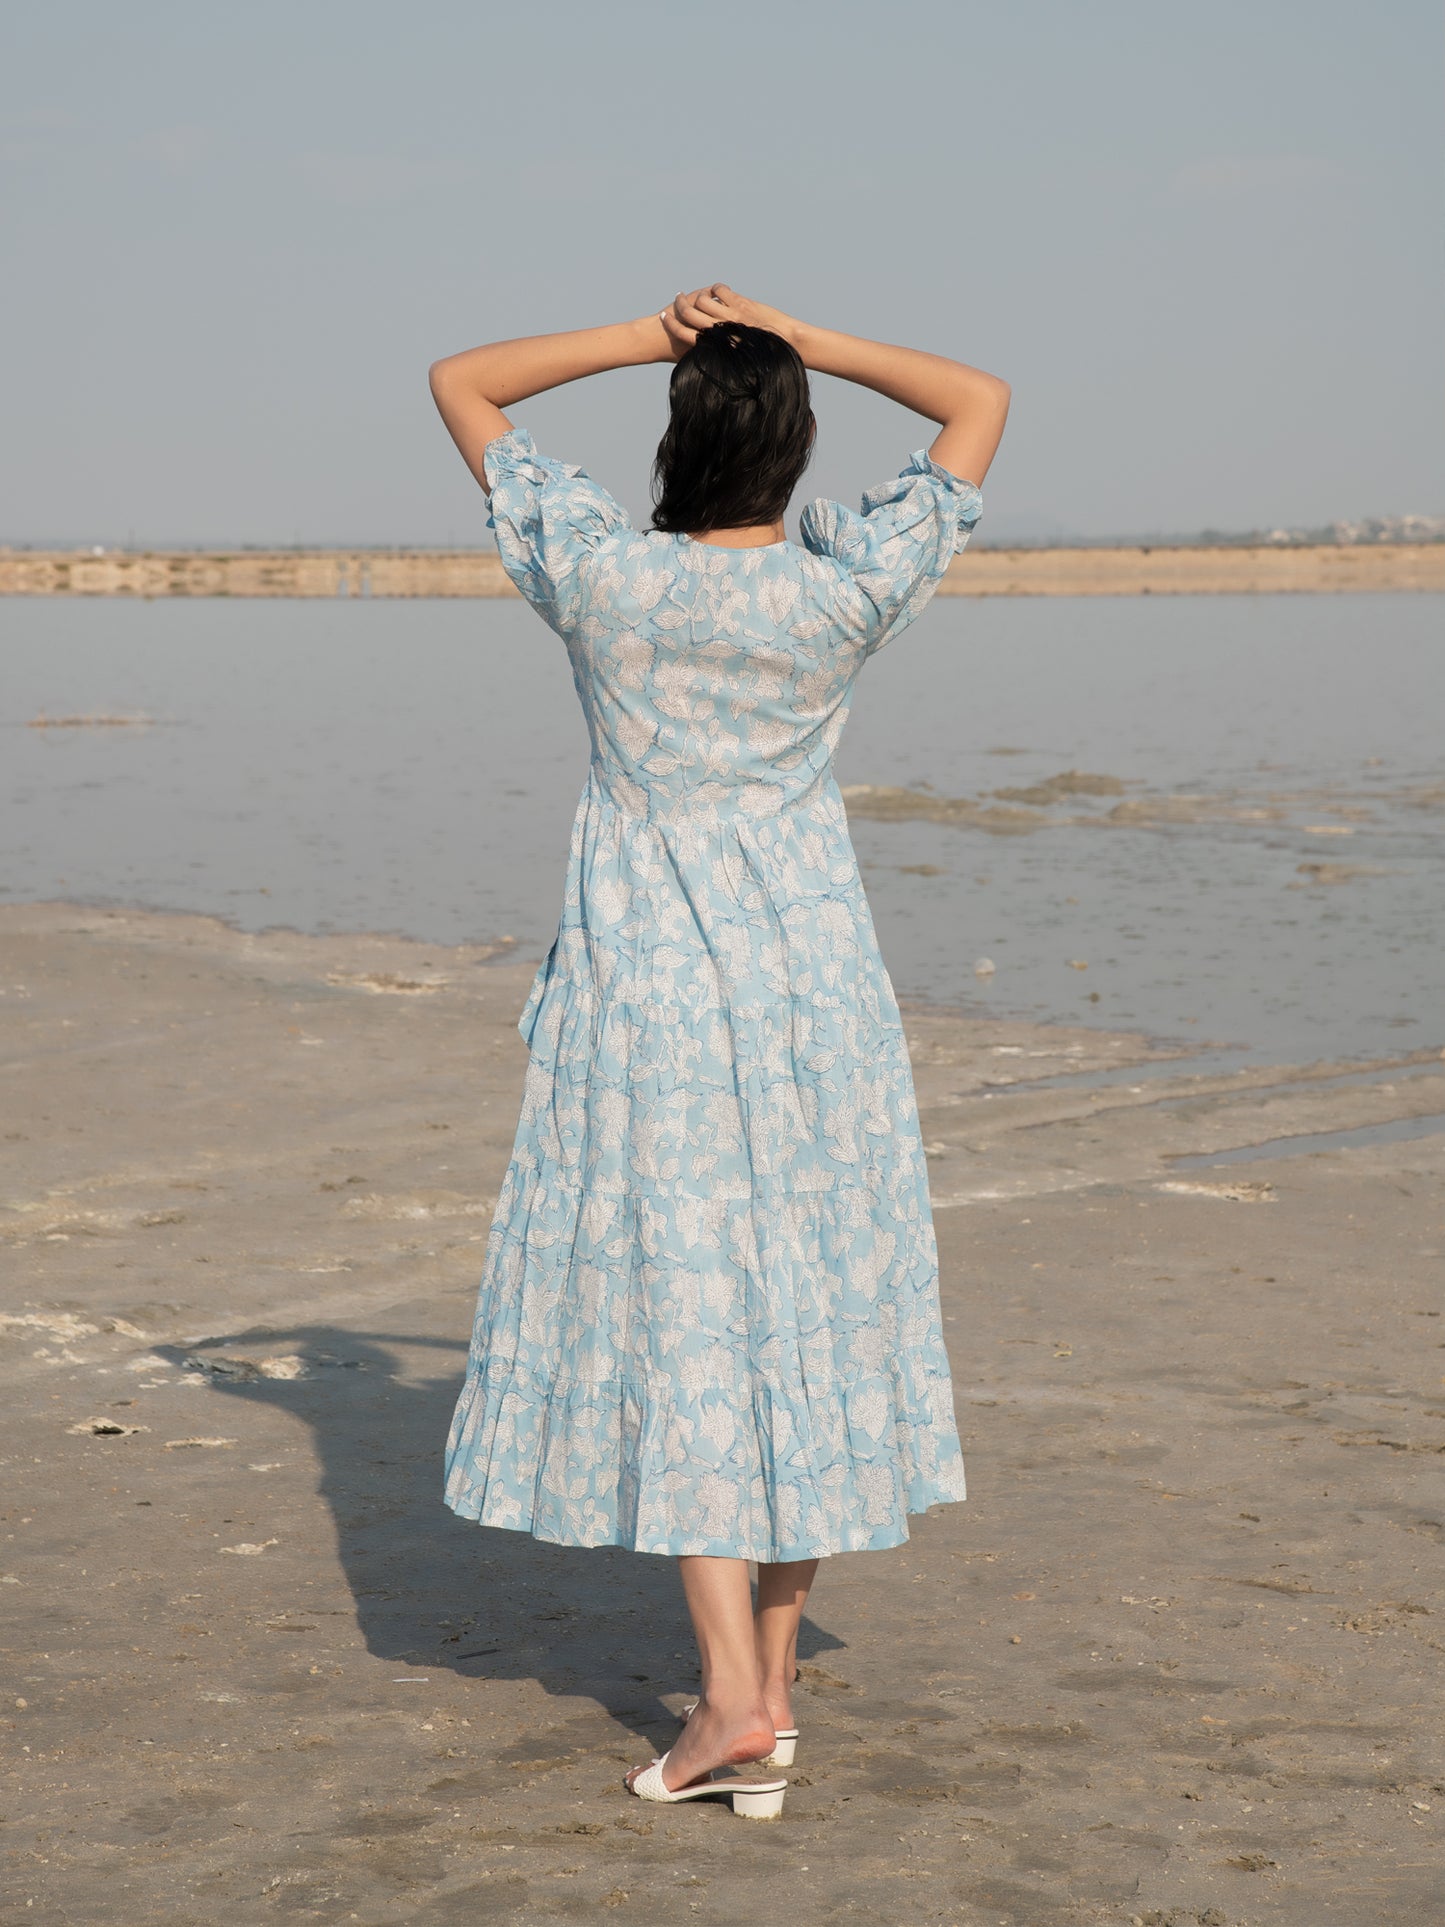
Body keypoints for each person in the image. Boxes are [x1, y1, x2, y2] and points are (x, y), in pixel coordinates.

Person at [428, 285, 1010, 1814]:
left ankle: (734, 1711)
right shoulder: (842, 592)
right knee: (805, 1307)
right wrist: (797, 339)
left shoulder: (607, 579)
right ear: (801, 443)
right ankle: (762, 1686)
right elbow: (975, 401)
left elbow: (463, 382)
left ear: (679, 437)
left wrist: (643, 336)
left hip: (652, 1000)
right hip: (815, 993)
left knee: (687, 1318)